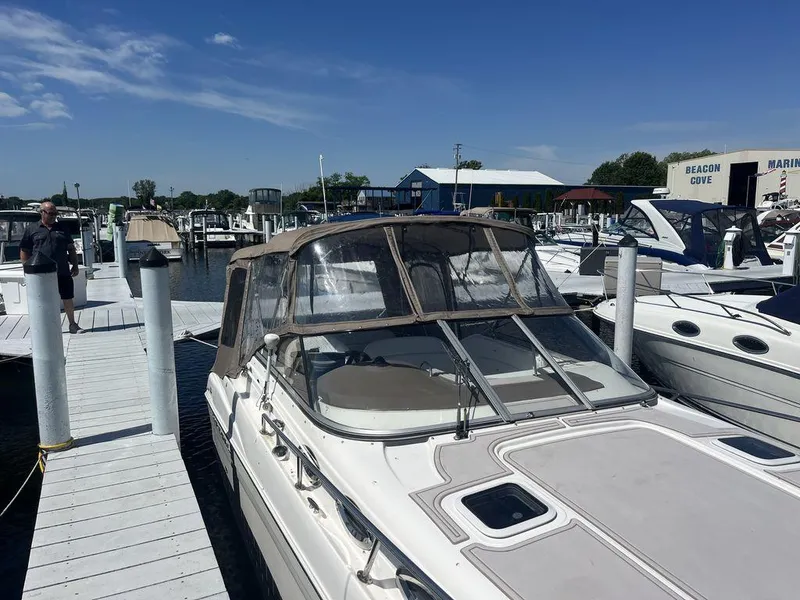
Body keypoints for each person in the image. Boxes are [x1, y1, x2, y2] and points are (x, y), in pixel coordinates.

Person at [19, 201, 86, 334]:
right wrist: (27, 269)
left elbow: (71, 248)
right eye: (51, 213)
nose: (53, 216)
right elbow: (24, 250)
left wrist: (75, 265)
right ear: (42, 213)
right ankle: (45, 328)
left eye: (55, 213)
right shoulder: (32, 229)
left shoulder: (62, 228)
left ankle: (72, 324)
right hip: (40, 274)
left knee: (67, 297)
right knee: (43, 300)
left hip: (62, 270)